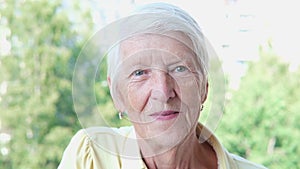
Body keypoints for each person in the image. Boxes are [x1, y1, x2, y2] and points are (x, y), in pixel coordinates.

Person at [58, 2, 267, 169]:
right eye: (140, 73)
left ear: (204, 87)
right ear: (117, 95)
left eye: (179, 69)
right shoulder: (91, 156)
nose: (163, 92)